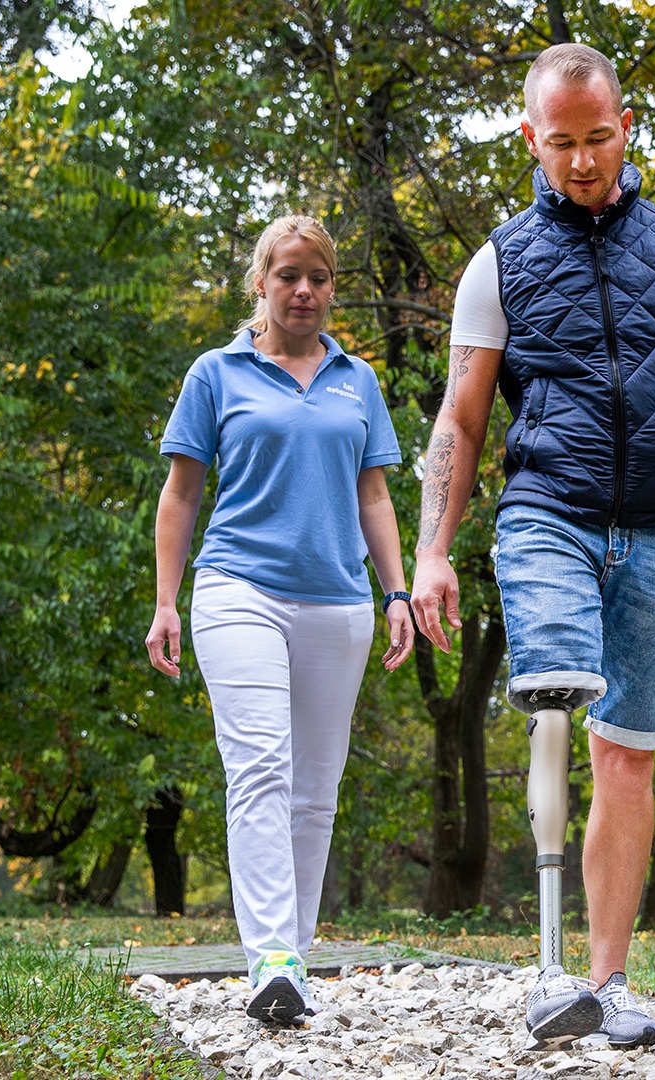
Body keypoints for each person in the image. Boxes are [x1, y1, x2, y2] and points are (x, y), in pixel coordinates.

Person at [411, 43, 655, 1050]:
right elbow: (463, 416)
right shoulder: (497, 262)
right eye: (561, 142)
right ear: (530, 138)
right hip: (549, 512)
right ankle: (543, 971)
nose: (581, 161)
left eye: (599, 138)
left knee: (626, 759)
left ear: (629, 128)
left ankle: (607, 985)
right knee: (556, 692)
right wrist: (430, 552)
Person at [145, 213, 414, 1026]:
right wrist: (166, 600)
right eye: (289, 274)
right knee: (260, 764)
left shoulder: (355, 379)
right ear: (260, 282)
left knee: (315, 790)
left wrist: (397, 591)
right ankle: (270, 954)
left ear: (333, 288)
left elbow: (374, 495)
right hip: (238, 591)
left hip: (337, 601)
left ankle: (288, 962)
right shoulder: (216, 373)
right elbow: (181, 494)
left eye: (320, 277)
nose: (304, 290)